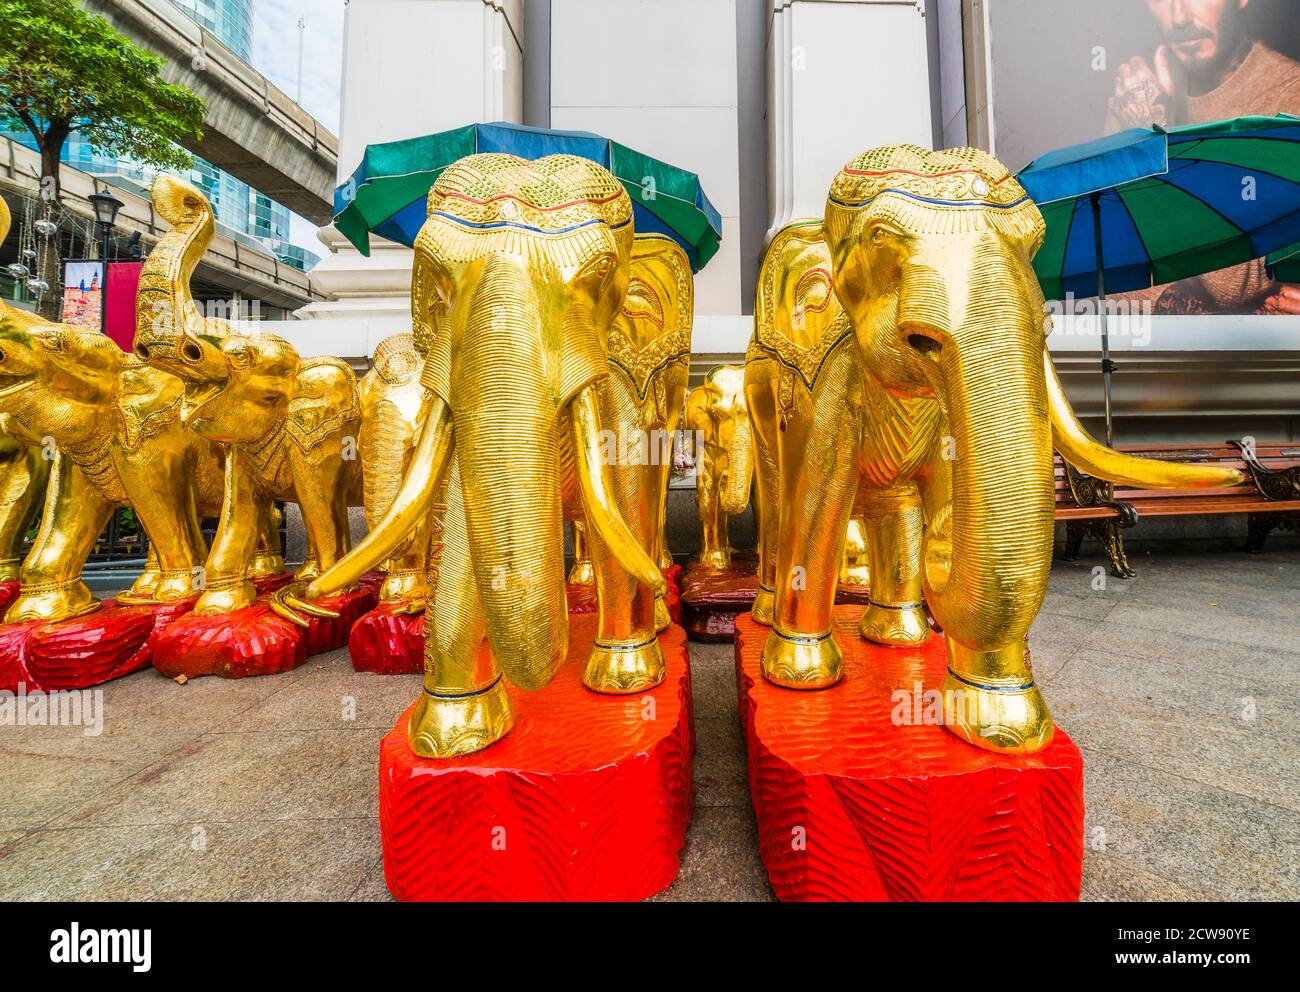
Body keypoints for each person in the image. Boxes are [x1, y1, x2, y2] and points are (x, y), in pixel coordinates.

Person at [1106, 0, 1300, 313]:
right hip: (1144, 359)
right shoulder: (1138, 95)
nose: (1180, 17)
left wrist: (1158, 142)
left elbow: (1231, 283)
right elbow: (1104, 276)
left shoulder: (1289, 98)